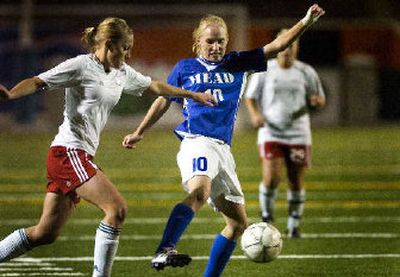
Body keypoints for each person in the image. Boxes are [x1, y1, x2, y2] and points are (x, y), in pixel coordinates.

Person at [0, 17, 216, 277]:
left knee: (44, 233)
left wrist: (192, 95)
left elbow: (154, 86)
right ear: (109, 44)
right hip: (68, 152)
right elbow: (38, 81)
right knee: (117, 209)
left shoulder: (121, 72)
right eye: (125, 48)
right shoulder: (81, 65)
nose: (128, 54)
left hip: (77, 155)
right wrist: (11, 94)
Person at [122, 4, 325, 276]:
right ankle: (164, 249)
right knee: (198, 191)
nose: (216, 46)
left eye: (220, 41)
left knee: (238, 224)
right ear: (197, 43)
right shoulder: (185, 68)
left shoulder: (237, 63)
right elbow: (163, 100)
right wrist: (140, 131)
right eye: (210, 41)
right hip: (196, 141)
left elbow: (277, 46)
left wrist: (306, 21)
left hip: (222, 150)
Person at [244, 29, 326, 238]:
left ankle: (293, 225)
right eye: (284, 44)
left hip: (298, 133)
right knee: (271, 178)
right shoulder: (264, 69)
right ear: (277, 44)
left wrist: (317, 102)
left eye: (292, 45)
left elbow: (320, 98)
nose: (287, 49)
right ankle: (267, 216)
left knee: (295, 179)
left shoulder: (306, 71)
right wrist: (255, 115)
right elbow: (250, 97)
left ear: (297, 47)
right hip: (271, 131)